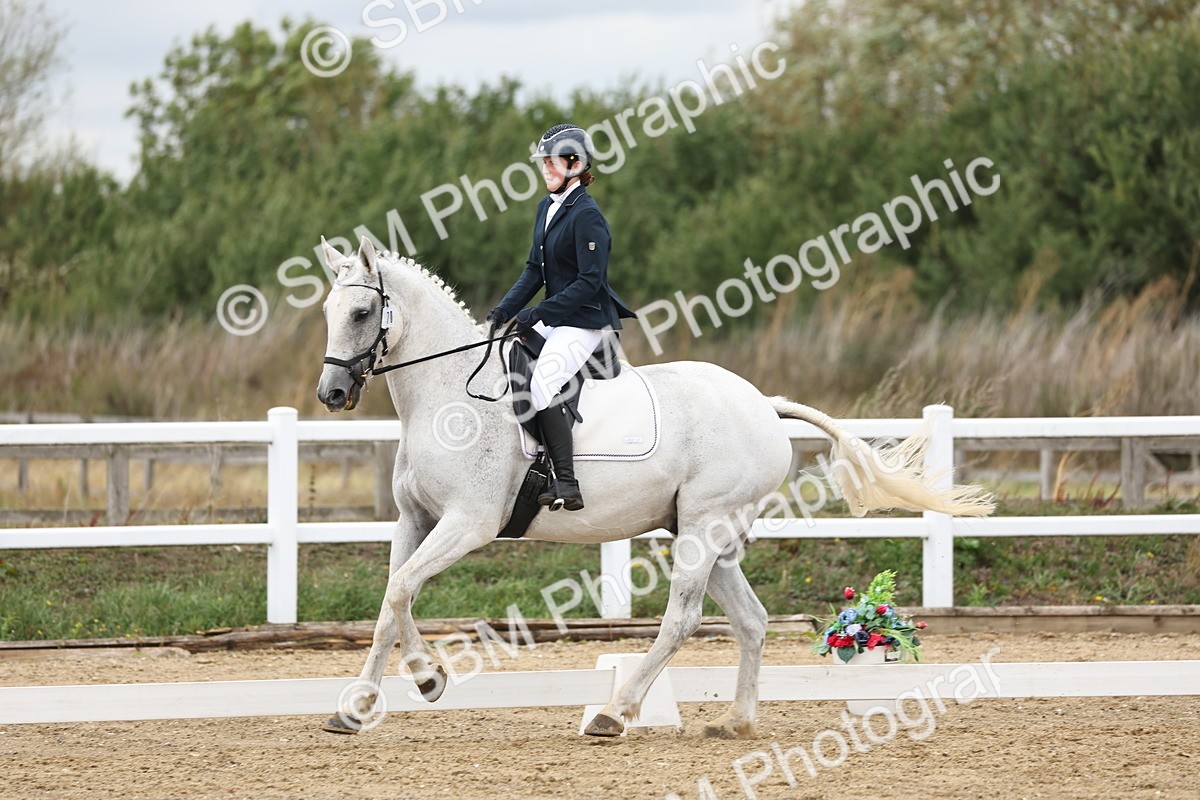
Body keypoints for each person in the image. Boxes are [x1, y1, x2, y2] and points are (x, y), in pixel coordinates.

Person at [487, 123, 636, 511]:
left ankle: (566, 482)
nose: (545, 169)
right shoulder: (546, 208)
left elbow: (590, 282)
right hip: (558, 317)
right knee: (508, 363)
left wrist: (539, 312)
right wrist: (504, 309)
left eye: (551, 163)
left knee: (541, 384)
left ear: (575, 164)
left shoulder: (587, 215)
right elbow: (534, 270)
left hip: (586, 320)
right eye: (543, 163)